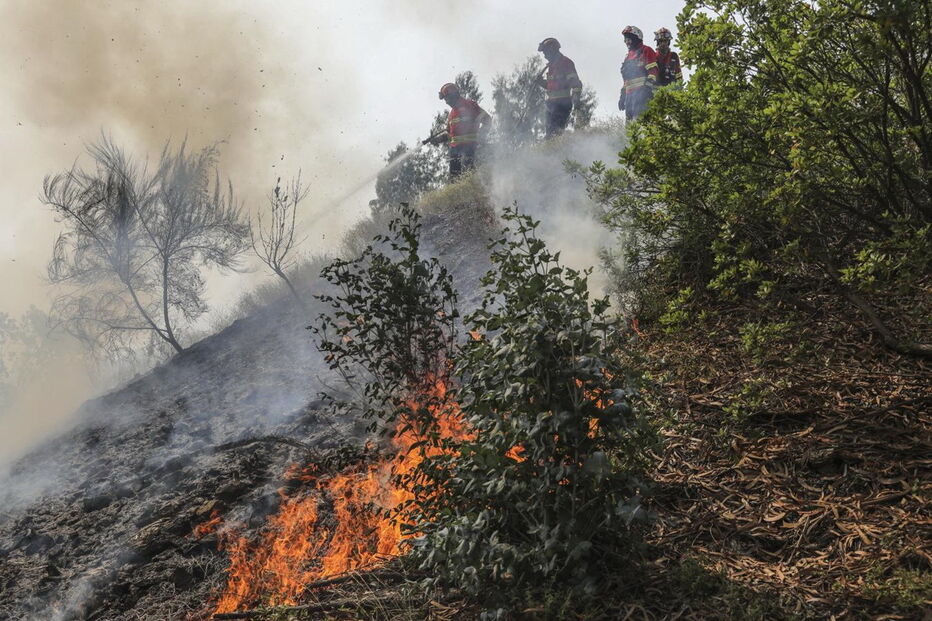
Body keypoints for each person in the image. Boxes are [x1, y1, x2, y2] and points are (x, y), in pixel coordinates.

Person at [425, 82, 492, 178]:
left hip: (469, 150)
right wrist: (438, 140)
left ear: (453, 95)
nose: (446, 102)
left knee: (469, 176)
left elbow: (487, 120)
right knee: (454, 180)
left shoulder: (470, 105)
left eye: (446, 98)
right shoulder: (451, 115)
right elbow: (451, 135)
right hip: (455, 152)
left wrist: (482, 135)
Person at [536, 37, 583, 138]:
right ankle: (552, 151)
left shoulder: (566, 63)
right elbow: (552, 86)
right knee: (549, 133)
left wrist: (576, 100)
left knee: (554, 134)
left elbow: (575, 84)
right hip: (550, 105)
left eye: (545, 52)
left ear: (551, 50)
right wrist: (541, 83)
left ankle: (557, 152)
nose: (544, 56)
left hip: (562, 105)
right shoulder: (551, 66)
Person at [617, 25, 658, 121]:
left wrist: (647, 89)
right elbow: (626, 81)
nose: (626, 42)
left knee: (641, 124)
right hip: (629, 97)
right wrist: (622, 95)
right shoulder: (628, 57)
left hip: (642, 94)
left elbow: (653, 72)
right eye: (625, 40)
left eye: (629, 39)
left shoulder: (646, 50)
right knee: (630, 128)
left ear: (636, 38)